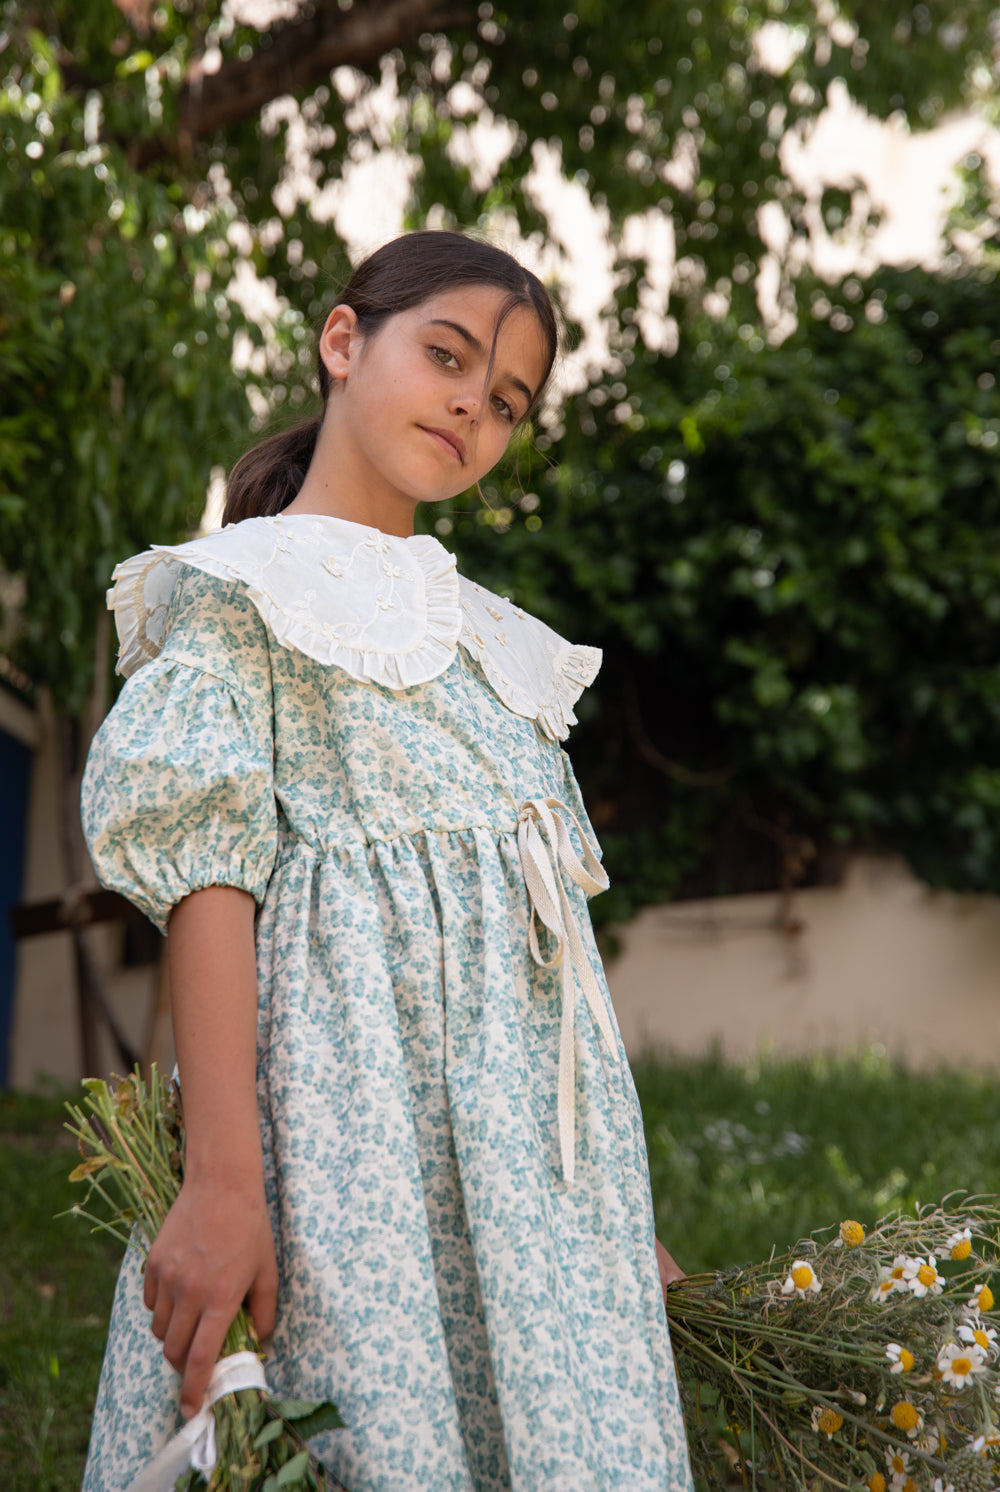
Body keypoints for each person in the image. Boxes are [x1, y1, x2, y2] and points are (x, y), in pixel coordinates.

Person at [80, 230, 694, 1492]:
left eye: (510, 399)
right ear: (344, 341)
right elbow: (212, 878)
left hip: (527, 1203)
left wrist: (614, 1219)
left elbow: (547, 971)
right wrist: (221, 1181)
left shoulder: (499, 651)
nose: (476, 403)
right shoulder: (243, 591)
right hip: (345, 1172)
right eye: (448, 355)